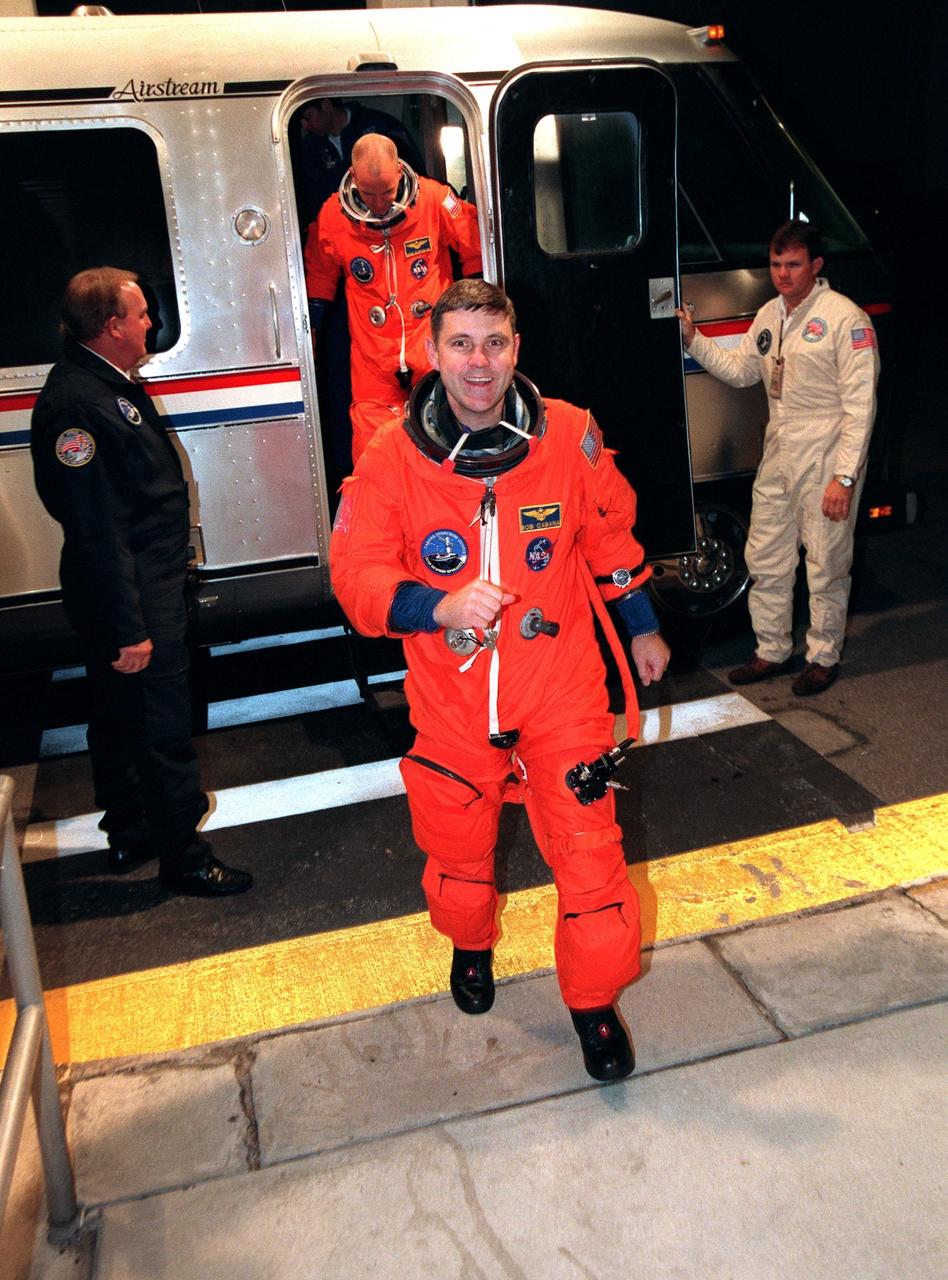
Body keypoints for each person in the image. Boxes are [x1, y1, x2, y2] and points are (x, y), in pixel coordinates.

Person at [330, 280, 670, 1082]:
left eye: (494, 343)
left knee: (591, 857)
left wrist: (644, 623)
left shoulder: (570, 435)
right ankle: (471, 947)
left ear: (516, 348)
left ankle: (591, 1007)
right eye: (460, 344)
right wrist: (437, 603)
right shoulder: (392, 455)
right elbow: (356, 573)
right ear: (432, 351)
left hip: (559, 687)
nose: (478, 363)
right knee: (457, 852)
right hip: (452, 698)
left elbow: (608, 533)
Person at [30, 267, 253, 897]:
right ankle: (183, 856)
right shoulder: (80, 404)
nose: (150, 323)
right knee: (158, 725)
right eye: (140, 314)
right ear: (111, 327)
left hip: (129, 585)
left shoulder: (103, 382)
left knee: (120, 718)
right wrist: (129, 628)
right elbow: (97, 528)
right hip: (129, 594)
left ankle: (129, 830)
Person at [676, 221, 880, 696]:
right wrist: (692, 338)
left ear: (816, 266)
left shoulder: (845, 319)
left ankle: (823, 655)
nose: (783, 274)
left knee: (826, 561)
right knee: (765, 555)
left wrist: (845, 478)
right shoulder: (771, 314)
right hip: (780, 446)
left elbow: (861, 407)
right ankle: (771, 648)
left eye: (793, 265)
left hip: (829, 451)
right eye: (776, 265)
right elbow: (742, 370)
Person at [305, 134, 482, 464]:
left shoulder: (435, 200)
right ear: (353, 178)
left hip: (432, 347)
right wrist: (311, 332)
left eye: (386, 191)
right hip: (373, 357)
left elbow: (475, 247)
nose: (379, 203)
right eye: (369, 193)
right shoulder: (333, 216)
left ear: (400, 171)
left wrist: (480, 320)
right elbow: (319, 273)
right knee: (373, 458)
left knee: (447, 445)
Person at [298, 97, 426, 225]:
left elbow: (414, 175)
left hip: (396, 220)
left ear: (326, 105)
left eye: (308, 116)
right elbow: (311, 200)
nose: (306, 126)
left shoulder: (380, 124)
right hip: (341, 227)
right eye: (302, 121)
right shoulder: (310, 147)